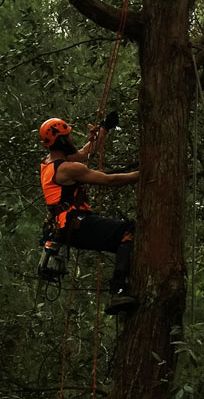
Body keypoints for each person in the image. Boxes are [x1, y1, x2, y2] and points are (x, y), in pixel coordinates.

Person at [39, 116, 139, 314]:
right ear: (61, 141)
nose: (71, 140)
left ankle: (122, 285)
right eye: (68, 137)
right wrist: (143, 174)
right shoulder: (68, 168)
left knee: (122, 243)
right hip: (77, 224)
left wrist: (103, 130)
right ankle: (117, 291)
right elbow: (110, 181)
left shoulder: (49, 164)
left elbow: (86, 153)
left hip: (65, 227)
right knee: (129, 230)